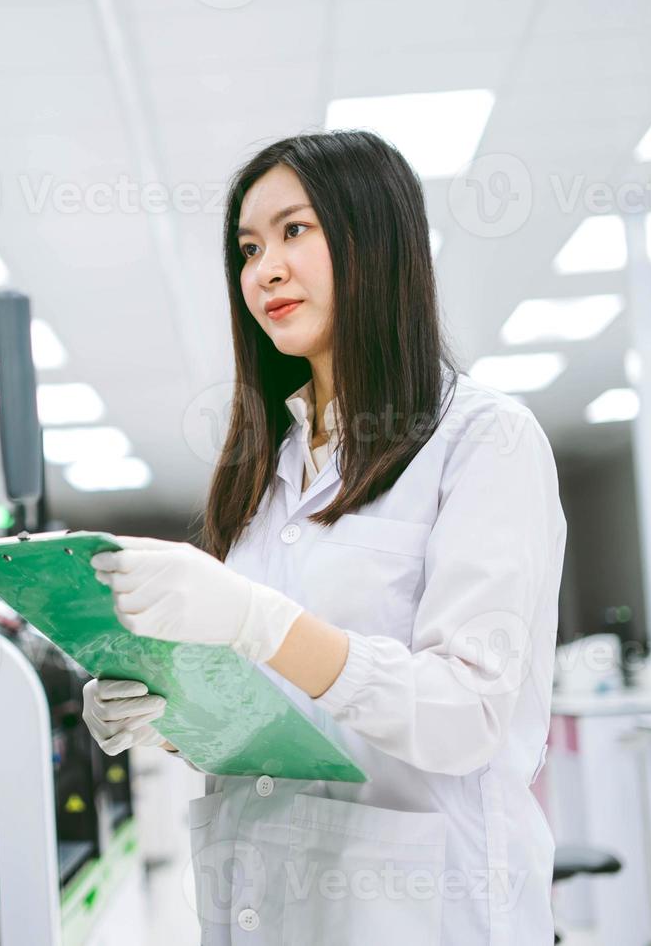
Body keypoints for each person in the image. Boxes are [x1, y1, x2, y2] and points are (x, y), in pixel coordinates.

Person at [81, 131, 565, 944]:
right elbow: (283, 720)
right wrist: (170, 707)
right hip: (264, 901)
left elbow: (467, 715)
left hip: (420, 909)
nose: (263, 269)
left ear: (375, 238)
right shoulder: (267, 468)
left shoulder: (484, 441)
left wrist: (262, 623)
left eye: (293, 230)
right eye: (247, 246)